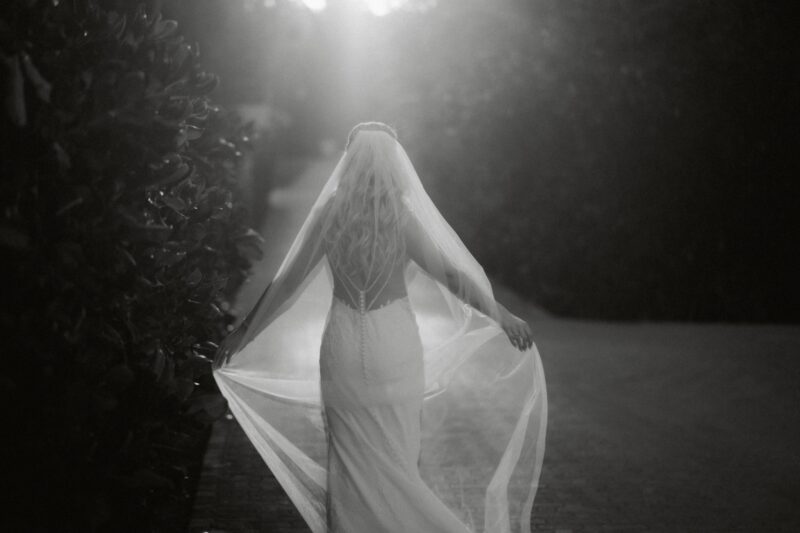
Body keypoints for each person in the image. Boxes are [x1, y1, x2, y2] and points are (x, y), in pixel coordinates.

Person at [213, 122, 547, 533]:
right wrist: (502, 314)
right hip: (395, 344)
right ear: (394, 165)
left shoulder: (329, 214)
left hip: (343, 343)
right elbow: (456, 279)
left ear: (349, 163)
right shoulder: (402, 218)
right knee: (397, 455)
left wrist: (244, 331)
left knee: (348, 459)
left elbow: (285, 286)